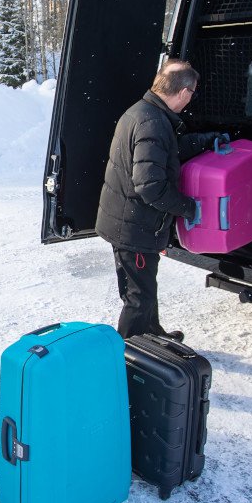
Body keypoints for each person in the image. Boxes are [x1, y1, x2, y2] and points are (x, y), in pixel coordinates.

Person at [96, 59, 223, 340]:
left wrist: (206, 140)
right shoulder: (152, 122)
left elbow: (169, 149)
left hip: (128, 221)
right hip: (134, 227)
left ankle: (152, 334)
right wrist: (189, 208)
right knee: (138, 297)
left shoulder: (146, 113)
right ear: (185, 92)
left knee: (144, 287)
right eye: (192, 94)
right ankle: (130, 358)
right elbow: (150, 186)